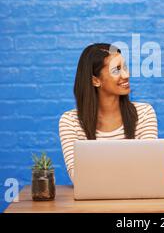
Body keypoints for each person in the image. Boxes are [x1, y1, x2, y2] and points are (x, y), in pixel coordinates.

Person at [59, 43, 158, 182]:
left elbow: (148, 169)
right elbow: (78, 177)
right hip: (91, 202)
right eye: (117, 70)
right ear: (95, 80)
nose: (126, 74)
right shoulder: (70, 122)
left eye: (124, 67)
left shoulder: (144, 113)